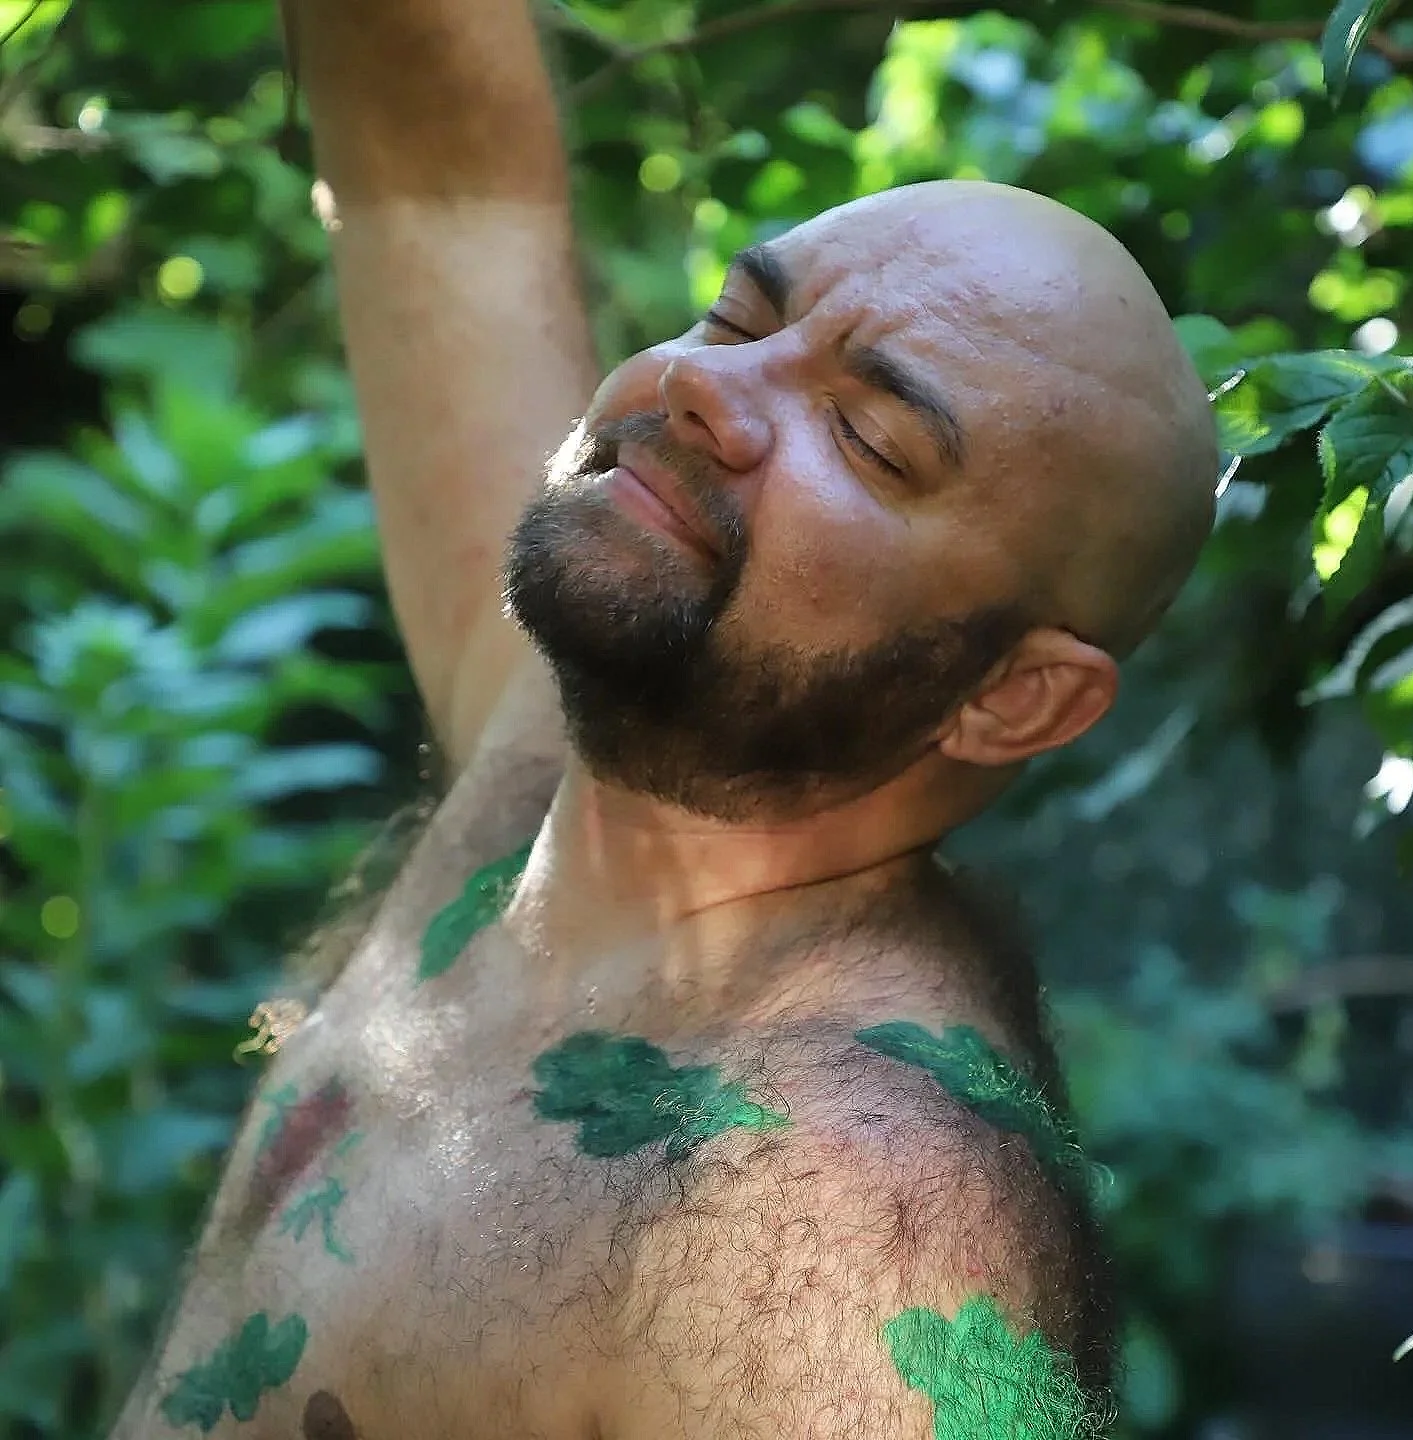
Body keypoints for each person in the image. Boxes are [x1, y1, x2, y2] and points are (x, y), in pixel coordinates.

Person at [110, 2, 1218, 1437]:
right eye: (739, 316)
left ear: (1014, 695)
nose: (703, 383)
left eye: (871, 437)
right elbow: (444, 187)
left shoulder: (844, 1226)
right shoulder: (543, 772)